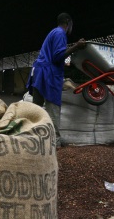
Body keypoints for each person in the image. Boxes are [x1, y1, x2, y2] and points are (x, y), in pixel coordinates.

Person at [26, 12, 86, 148]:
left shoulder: (53, 32)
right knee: (53, 107)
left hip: (39, 72)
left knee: (36, 108)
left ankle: (32, 137)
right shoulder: (60, 33)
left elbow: (51, 56)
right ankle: (54, 141)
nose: (72, 27)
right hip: (48, 75)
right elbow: (57, 56)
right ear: (67, 21)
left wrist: (64, 64)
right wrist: (76, 46)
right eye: (71, 24)